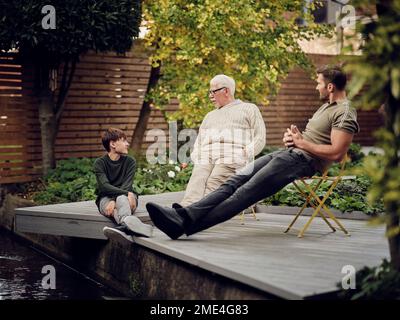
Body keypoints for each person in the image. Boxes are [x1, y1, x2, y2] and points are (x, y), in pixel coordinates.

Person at [146, 65, 360, 240]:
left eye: (319, 83)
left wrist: (301, 143)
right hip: (287, 154)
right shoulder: (325, 107)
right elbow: (311, 139)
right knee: (234, 182)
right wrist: (293, 139)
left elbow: (336, 153)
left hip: (301, 162)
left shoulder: (345, 111)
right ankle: (181, 218)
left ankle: (182, 222)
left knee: (243, 194)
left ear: (330, 86)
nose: (316, 87)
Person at [179, 74, 266, 207]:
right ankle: (185, 209)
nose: (210, 96)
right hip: (207, 155)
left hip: (231, 156)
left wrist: (245, 153)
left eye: (213, 91)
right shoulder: (209, 116)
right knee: (198, 178)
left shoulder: (249, 109)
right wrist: (197, 156)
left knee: (214, 181)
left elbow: (260, 137)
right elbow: (199, 142)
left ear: (226, 91)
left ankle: (195, 212)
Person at [94, 127, 152, 242]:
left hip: (126, 197)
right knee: (115, 206)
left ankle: (123, 228)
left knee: (121, 199)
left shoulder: (130, 161)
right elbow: (104, 187)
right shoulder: (100, 163)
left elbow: (126, 186)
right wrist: (117, 199)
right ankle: (128, 226)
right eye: (124, 140)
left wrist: (115, 201)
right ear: (113, 144)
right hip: (106, 198)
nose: (127, 144)